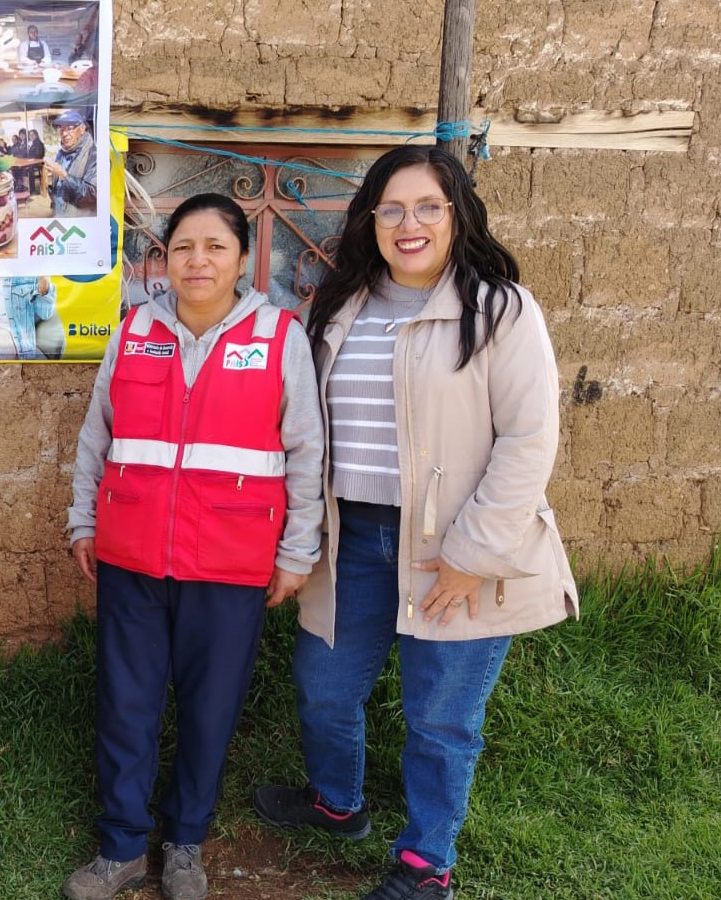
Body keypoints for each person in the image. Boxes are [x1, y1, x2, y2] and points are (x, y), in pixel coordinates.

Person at [252, 146, 578, 900]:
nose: (411, 224)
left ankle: (427, 863)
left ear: (456, 214)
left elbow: (530, 439)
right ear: (372, 219)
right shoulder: (339, 305)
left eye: (429, 206)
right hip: (355, 538)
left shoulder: (498, 309)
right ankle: (338, 804)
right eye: (393, 208)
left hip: (454, 546)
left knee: (441, 718)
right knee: (325, 689)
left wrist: (474, 552)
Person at [62, 193, 325, 900]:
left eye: (215, 247)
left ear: (242, 259)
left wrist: (298, 552)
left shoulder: (277, 336)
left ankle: (184, 844)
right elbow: (98, 436)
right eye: (183, 247)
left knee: (211, 710)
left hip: (230, 563)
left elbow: (305, 451)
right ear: (165, 259)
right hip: (133, 557)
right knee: (127, 704)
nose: (197, 260)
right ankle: (119, 848)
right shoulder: (134, 331)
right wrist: (82, 522)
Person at [44, 109, 97, 217]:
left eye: (69, 128)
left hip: (80, 222)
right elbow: (57, 188)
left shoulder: (94, 155)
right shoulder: (61, 152)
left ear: (82, 129)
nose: (64, 134)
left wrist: (63, 175)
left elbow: (91, 196)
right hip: (60, 216)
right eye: (61, 129)